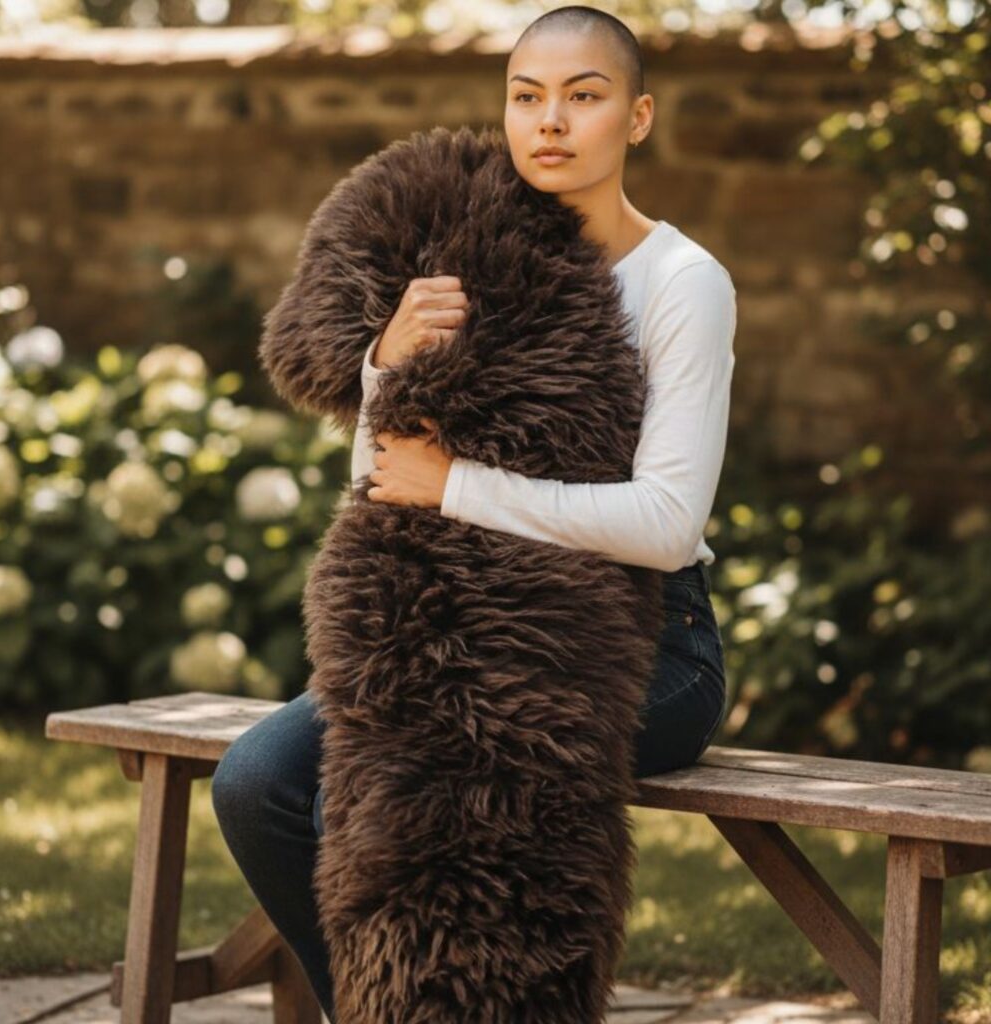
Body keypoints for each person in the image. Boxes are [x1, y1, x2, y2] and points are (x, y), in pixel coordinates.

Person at [212, 7, 735, 1020]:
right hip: (459, 631)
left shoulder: (680, 282)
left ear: (636, 117)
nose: (550, 122)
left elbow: (667, 522)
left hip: (645, 641)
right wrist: (384, 365)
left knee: (415, 792)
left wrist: (457, 486)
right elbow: (383, 478)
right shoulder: (461, 245)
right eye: (526, 97)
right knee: (257, 782)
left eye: (583, 97)